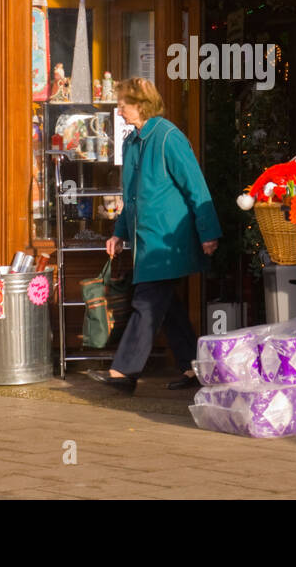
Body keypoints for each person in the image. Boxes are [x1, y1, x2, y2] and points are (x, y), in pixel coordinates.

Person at [88, 77, 221, 394]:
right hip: (146, 241)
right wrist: (119, 233)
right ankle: (193, 368)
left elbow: (195, 186)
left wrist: (208, 232)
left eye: (123, 104)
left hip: (167, 242)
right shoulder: (132, 141)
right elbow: (130, 194)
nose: (119, 111)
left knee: (146, 303)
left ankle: (124, 371)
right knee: (167, 306)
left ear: (141, 104)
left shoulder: (168, 137)